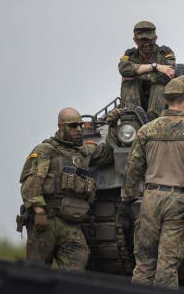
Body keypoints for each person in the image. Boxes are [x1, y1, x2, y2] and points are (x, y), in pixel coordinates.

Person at [121, 76, 184, 289]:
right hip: (178, 201)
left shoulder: (146, 130)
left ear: (165, 100)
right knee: (167, 265)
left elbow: (133, 168)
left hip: (151, 199)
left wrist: (127, 198)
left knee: (143, 263)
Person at [19, 107, 115, 270]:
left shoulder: (83, 152)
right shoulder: (46, 150)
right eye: (72, 126)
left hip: (72, 225)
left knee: (74, 275)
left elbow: (107, 153)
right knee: (35, 275)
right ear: (60, 126)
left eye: (79, 125)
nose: (78, 130)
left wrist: (112, 127)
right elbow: (30, 183)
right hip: (46, 221)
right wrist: (38, 210)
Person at [118, 21, 176, 120]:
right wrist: (155, 67)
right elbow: (123, 69)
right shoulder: (130, 55)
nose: (147, 44)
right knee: (129, 83)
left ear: (155, 38)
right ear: (135, 40)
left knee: (158, 85)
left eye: (150, 40)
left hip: (160, 100)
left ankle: (154, 118)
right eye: (142, 40)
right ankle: (132, 116)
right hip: (138, 97)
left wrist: (139, 74)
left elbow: (167, 75)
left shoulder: (164, 53)